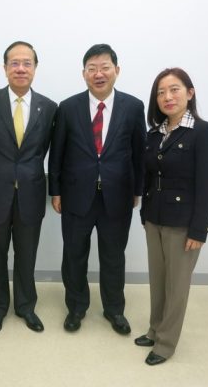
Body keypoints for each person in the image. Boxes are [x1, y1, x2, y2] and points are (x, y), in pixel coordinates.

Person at [48, 44, 146, 335]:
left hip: (118, 197)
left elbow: (139, 153)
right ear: (83, 74)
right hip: (76, 196)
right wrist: (56, 191)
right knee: (74, 254)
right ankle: (76, 308)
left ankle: (114, 309)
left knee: (113, 256)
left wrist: (137, 191)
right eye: (92, 68)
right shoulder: (68, 107)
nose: (99, 73)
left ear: (117, 70)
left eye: (105, 67)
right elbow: (57, 153)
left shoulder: (133, 107)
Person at [136, 67, 208, 365]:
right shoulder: (155, 133)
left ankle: (166, 343)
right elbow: (148, 176)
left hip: (183, 224)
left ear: (190, 92)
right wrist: (145, 213)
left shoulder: (204, 131)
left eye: (174, 90)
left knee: (177, 285)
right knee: (158, 280)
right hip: (154, 218)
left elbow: (207, 184)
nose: (167, 97)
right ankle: (155, 329)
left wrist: (199, 230)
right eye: (160, 92)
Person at [0, 41, 57, 335]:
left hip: (31, 194)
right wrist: (0, 174)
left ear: (35, 68)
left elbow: (45, 150)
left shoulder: (48, 107)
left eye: (27, 63)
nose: (20, 68)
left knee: (27, 255)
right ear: (5, 68)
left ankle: (25, 307)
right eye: (14, 63)